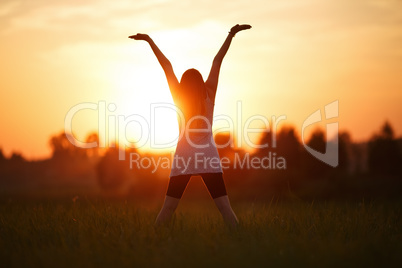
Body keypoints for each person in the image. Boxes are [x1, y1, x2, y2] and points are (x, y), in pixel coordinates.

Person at [129, 24, 251, 226]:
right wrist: (231, 34)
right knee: (225, 209)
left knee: (168, 208)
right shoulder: (209, 93)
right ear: (201, 82)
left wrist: (149, 40)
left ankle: (154, 238)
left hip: (184, 157)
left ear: (184, 85)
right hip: (208, 156)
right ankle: (241, 239)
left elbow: (166, 66)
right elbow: (217, 61)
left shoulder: (178, 97)